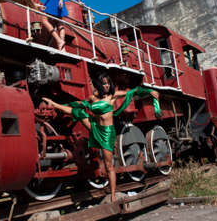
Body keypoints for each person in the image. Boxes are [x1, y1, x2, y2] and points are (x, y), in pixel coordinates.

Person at [42, 72, 160, 202]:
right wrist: (54, 103)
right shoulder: (92, 98)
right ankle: (55, 105)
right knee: (77, 111)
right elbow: (77, 105)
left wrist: (149, 91)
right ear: (99, 84)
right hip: (95, 128)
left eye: (108, 83)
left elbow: (133, 92)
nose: (107, 85)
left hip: (107, 133)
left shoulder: (112, 96)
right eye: (104, 83)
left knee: (109, 165)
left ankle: (113, 194)